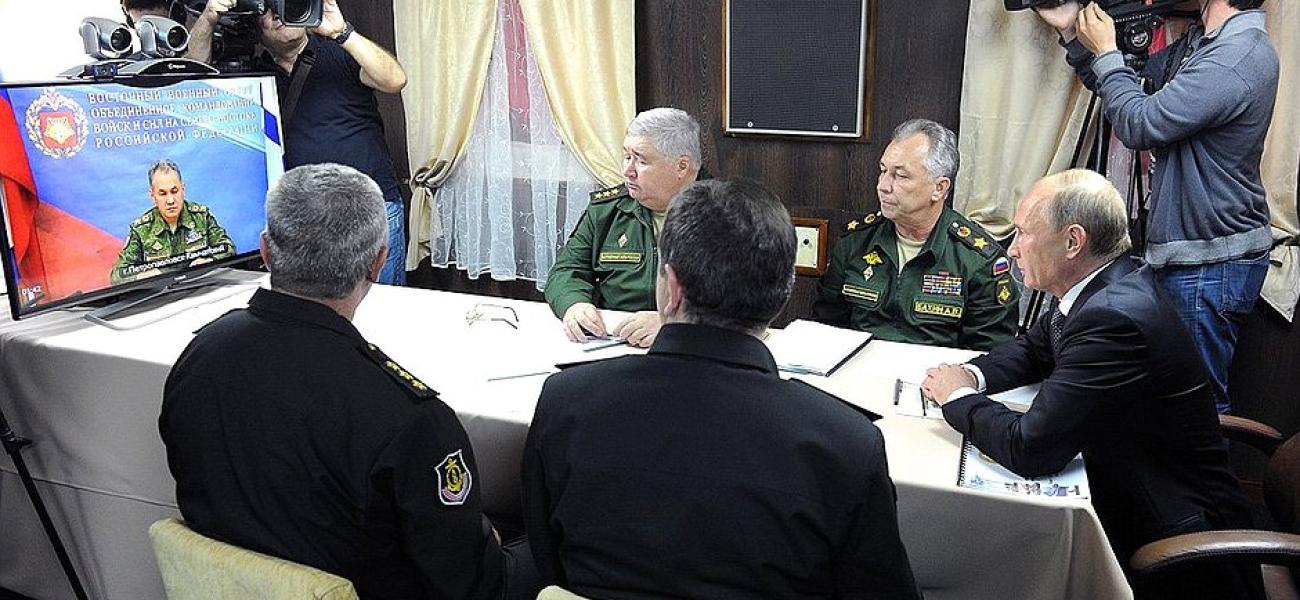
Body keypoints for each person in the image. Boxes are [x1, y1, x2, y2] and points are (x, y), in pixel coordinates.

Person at [524, 179, 921, 599]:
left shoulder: (566, 401)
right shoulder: (845, 443)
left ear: (671, 289)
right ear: (783, 291)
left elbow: (546, 557)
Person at [160, 164, 538, 600]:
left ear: (265, 251)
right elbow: (476, 587)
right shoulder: (410, 419)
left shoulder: (199, 356)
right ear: (379, 262)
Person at [922, 170, 1261, 599]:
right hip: (1133, 480)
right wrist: (973, 374)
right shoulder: (1101, 287)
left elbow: (1032, 449)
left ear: (1072, 241)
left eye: (1024, 233)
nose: (1013, 248)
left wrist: (957, 396)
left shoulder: (1113, 317)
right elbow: (1034, 349)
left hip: (1172, 535)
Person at [1036, 0, 1279, 412]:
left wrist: (1108, 51)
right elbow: (1126, 90)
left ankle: (1203, 481)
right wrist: (1074, 35)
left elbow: (1141, 123)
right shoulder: (1205, 44)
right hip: (1192, 256)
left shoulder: (1238, 55)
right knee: (1167, 403)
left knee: (1196, 409)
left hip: (1209, 262)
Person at [188, 0, 410, 285]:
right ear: (256, 24)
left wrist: (342, 32)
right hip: (305, 219)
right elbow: (194, 74)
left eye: (286, 3)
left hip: (370, 209)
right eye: (267, 9)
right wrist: (208, 18)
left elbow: (395, 80)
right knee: (321, 316)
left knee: (383, 309)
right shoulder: (254, 71)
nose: (278, 15)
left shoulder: (339, 52)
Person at [813, 119, 1018, 350]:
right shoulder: (855, 242)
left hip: (935, 379)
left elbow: (991, 351)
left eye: (900, 176)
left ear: (939, 188)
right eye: (883, 171)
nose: (883, 185)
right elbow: (826, 326)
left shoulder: (977, 259)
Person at [543, 107, 703, 348]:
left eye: (641, 160)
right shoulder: (607, 210)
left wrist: (675, 323)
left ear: (681, 167)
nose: (627, 171)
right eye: (627, 156)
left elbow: (746, 298)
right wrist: (574, 305)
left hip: (692, 346)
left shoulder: (725, 214)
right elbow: (567, 270)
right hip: (613, 341)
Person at [110, 159, 234, 284]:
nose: (170, 200)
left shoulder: (202, 216)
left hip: (202, 285)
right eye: (163, 194)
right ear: (152, 196)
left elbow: (228, 248)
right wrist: (143, 275)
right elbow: (117, 275)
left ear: (183, 189)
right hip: (162, 294)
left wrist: (210, 260)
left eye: (175, 191)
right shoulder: (141, 229)